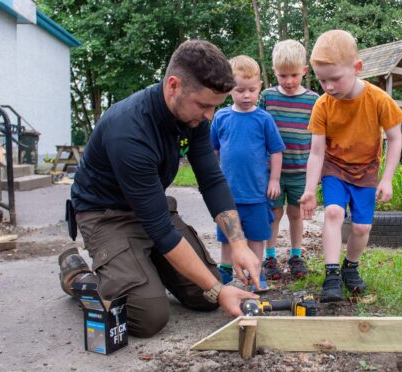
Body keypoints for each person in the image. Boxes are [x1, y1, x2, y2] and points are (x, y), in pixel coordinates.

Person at [59, 40, 261, 338]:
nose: (209, 116)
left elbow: (211, 179)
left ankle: (139, 268)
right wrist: (220, 291)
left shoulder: (194, 117)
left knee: (201, 296)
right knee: (147, 316)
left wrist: (240, 245)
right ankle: (79, 276)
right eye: (204, 105)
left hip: (150, 206)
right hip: (106, 215)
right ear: (174, 85)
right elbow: (161, 230)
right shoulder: (128, 130)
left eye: (214, 107)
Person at [299, 30, 402, 302]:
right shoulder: (322, 105)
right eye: (322, 80)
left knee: (361, 229)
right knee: (333, 212)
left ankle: (350, 267)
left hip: (366, 170)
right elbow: (316, 151)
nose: (329, 86)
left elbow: (395, 139)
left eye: (335, 78)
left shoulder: (378, 99)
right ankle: (332, 274)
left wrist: (387, 178)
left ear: (357, 68)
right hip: (335, 168)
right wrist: (310, 190)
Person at [211, 55, 285, 292]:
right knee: (226, 236)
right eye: (240, 90)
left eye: (252, 90)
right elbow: (212, 150)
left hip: (256, 194)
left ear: (259, 87)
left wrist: (274, 179)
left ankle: (256, 273)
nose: (246, 96)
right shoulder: (221, 117)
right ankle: (224, 271)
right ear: (229, 88)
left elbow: (276, 151)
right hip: (227, 195)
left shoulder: (264, 119)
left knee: (255, 236)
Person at [258, 39, 319, 280]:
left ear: (304, 71)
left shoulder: (313, 100)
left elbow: (318, 139)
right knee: (273, 214)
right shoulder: (267, 97)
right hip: (272, 171)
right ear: (274, 71)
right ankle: (270, 257)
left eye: (294, 75)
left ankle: (295, 255)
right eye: (283, 75)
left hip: (300, 169)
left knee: (295, 213)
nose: (289, 81)